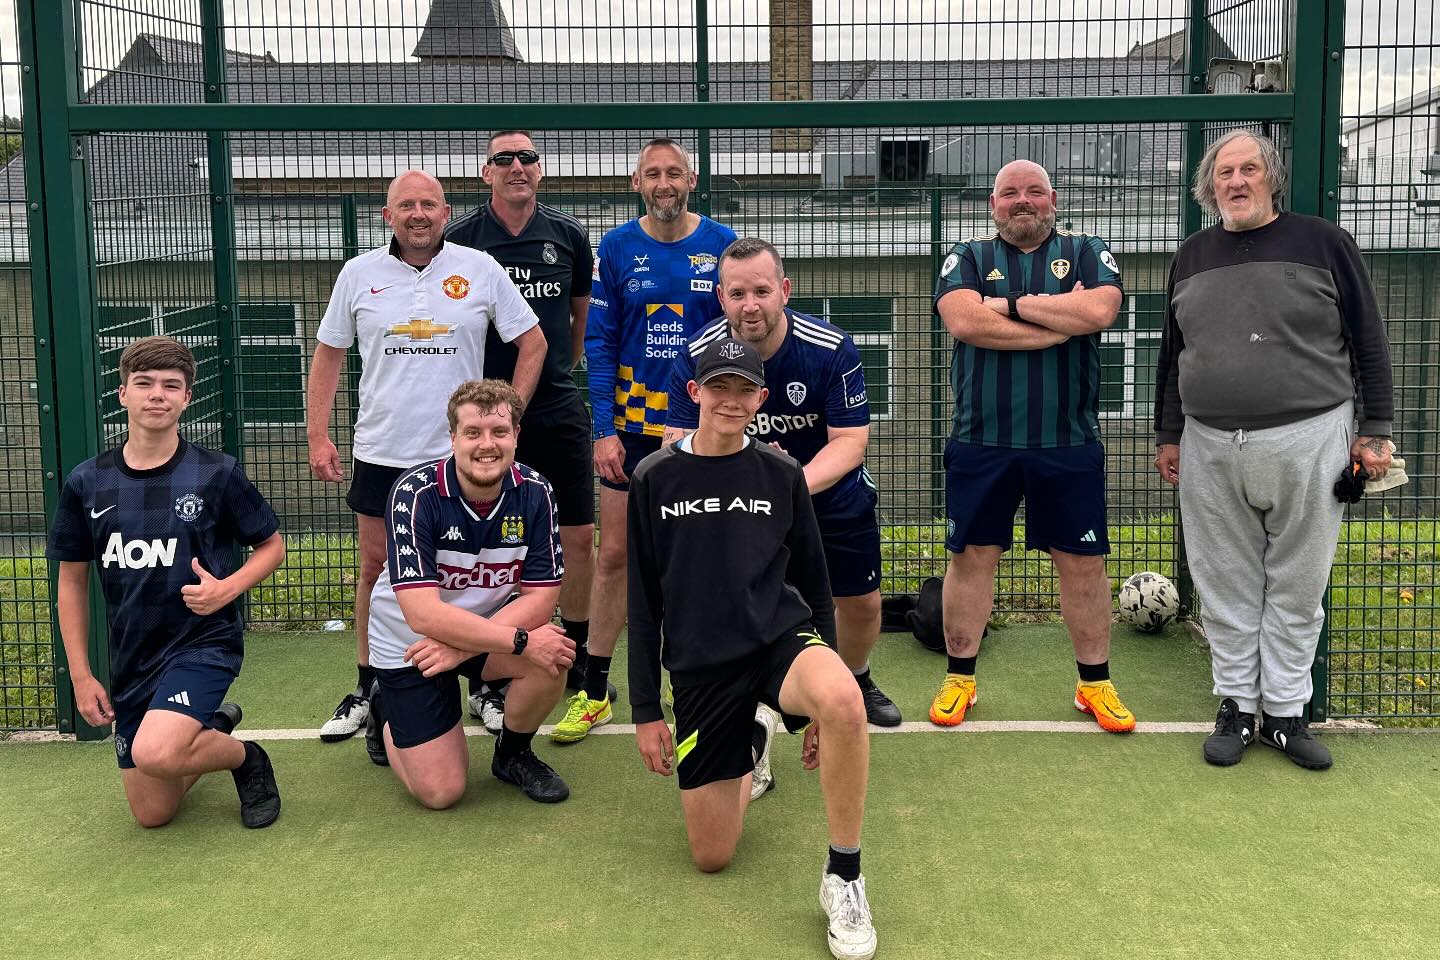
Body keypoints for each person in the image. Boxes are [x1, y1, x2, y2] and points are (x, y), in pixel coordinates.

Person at [1154, 129, 1394, 771]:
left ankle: (1287, 712)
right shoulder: (1192, 254)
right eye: (1225, 172)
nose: (1237, 181)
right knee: (1224, 579)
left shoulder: (1324, 243)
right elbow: (1172, 354)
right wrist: (1168, 431)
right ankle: (1236, 705)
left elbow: (1368, 336)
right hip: (1208, 440)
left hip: (1313, 433)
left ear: (1271, 177)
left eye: (1249, 169)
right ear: (1209, 187)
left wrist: (1375, 427)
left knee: (1299, 578)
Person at [630, 338, 877, 960]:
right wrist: (644, 710)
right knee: (712, 856)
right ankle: (752, 738)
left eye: (745, 390)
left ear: (762, 399)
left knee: (845, 702)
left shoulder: (782, 472)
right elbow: (641, 599)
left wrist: (825, 702)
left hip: (778, 638)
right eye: (719, 388)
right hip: (701, 664)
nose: (731, 400)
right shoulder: (654, 477)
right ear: (695, 393)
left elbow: (815, 583)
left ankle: (844, 877)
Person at [308, 169, 546, 746]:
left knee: (478, 571)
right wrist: (318, 435)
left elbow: (533, 343)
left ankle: (483, 685)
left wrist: (504, 417)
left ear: (446, 213)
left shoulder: (479, 268)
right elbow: (328, 354)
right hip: (383, 451)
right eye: (405, 205)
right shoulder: (358, 273)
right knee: (376, 570)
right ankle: (372, 683)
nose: (418, 214)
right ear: (387, 216)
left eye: (429, 205)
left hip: (459, 461)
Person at [664, 237, 900, 801]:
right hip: (740, 510)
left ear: (784, 292)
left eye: (762, 291)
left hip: (831, 500)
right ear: (721, 297)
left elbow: (850, 443)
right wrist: (746, 492)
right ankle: (755, 717)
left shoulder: (831, 348)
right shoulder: (696, 353)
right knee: (755, 615)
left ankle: (856, 679)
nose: (751, 304)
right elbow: (676, 441)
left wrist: (787, 486)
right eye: (738, 292)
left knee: (861, 605)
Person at [46, 336, 286, 828]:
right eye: (145, 384)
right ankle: (205, 728)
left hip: (202, 642)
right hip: (132, 654)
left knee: (155, 752)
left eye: (171, 386)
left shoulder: (216, 473)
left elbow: (272, 547)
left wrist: (227, 589)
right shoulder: (87, 482)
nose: (157, 394)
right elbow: (71, 582)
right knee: (153, 813)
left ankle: (246, 759)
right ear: (123, 395)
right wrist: (80, 673)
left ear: (186, 398)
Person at [932, 159, 1133, 733]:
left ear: (1053, 199)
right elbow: (966, 323)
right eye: (1010, 193)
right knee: (971, 559)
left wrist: (1012, 305)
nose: (1023, 202)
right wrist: (1057, 320)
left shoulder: (1089, 249)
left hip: (1066, 443)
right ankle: (960, 679)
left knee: (1084, 564)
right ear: (993, 205)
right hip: (981, 441)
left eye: (1034, 192)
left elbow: (1099, 310)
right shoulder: (966, 256)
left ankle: (1095, 685)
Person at [556, 138, 736, 743]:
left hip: (703, 428)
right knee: (614, 556)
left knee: (700, 560)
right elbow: (601, 345)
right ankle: (594, 688)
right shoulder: (616, 247)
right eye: (653, 174)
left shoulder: (722, 244)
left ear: (692, 181)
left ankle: (701, 688)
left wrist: (712, 414)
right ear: (637, 183)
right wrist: (604, 430)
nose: (665, 183)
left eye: (675, 173)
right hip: (632, 432)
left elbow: (737, 339)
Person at [445, 131, 599, 732]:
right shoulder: (461, 240)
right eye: (503, 159)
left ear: (540, 171)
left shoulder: (568, 237)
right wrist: (498, 408)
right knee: (490, 546)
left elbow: (577, 322)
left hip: (555, 406)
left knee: (579, 538)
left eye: (527, 159)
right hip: (486, 417)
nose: (516, 167)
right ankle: (498, 660)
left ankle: (583, 657)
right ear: (486, 173)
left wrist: (546, 379)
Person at [362, 379, 575, 807]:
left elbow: (541, 598)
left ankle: (513, 754)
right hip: (412, 644)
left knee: (552, 655)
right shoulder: (414, 493)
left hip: (482, 632)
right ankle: (388, 714)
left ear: (517, 435)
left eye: (499, 432)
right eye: (472, 433)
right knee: (441, 793)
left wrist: (462, 651)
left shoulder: (536, 492)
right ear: (453, 437)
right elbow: (422, 614)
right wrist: (515, 641)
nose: (486, 445)